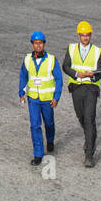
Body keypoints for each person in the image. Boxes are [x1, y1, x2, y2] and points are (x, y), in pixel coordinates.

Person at [61, 21, 101, 168]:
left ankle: (89, 154)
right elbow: (65, 66)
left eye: (87, 35)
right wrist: (76, 74)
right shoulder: (72, 49)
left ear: (90, 35)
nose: (85, 38)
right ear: (79, 35)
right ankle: (90, 135)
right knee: (81, 116)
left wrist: (93, 75)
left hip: (91, 88)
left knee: (89, 117)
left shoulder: (98, 51)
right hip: (76, 87)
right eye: (83, 35)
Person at [18, 30, 63, 166]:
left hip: (47, 99)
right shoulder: (27, 59)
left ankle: (50, 139)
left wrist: (56, 97)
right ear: (32, 44)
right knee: (35, 125)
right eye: (36, 43)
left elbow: (59, 79)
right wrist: (21, 92)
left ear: (44, 44)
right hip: (33, 99)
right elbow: (23, 76)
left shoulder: (51, 60)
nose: (38, 45)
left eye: (40, 43)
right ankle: (38, 153)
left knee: (49, 122)